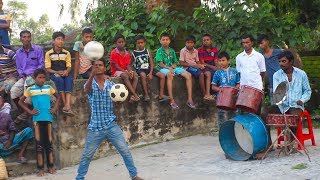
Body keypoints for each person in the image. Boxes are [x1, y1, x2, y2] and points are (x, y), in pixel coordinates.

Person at [76, 59, 143, 180]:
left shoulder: (112, 86)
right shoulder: (89, 84)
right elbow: (87, 90)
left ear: (104, 68)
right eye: (95, 66)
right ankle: (79, 178)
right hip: (95, 127)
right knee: (87, 155)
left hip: (111, 125)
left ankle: (134, 176)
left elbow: (117, 104)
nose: (98, 67)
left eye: (100, 65)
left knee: (125, 151)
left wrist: (121, 102)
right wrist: (91, 74)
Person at [18, 68, 60, 176]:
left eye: (43, 77)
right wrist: (30, 111)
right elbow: (20, 101)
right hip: (37, 120)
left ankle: (51, 167)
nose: (42, 80)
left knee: (49, 144)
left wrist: (54, 109)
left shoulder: (48, 88)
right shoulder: (31, 89)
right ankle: (40, 168)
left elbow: (58, 97)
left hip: (48, 119)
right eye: (39, 77)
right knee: (39, 145)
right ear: (34, 78)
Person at [155, 32, 196, 109]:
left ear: (169, 41)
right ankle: (172, 100)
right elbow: (160, 64)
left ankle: (190, 99)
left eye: (167, 39)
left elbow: (175, 62)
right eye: (163, 40)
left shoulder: (172, 50)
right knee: (170, 75)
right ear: (160, 41)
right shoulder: (159, 51)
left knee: (188, 75)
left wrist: (173, 67)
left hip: (172, 68)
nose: (165, 41)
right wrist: (169, 68)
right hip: (162, 68)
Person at [11, 30, 44, 121]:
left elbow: (41, 64)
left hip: (36, 76)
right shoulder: (18, 52)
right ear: (20, 39)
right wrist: (23, 76)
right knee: (13, 92)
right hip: (24, 76)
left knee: (28, 96)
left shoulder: (38, 49)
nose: (26, 39)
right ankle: (26, 111)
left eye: (28, 37)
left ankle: (26, 113)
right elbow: (19, 67)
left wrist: (34, 75)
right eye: (24, 37)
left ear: (31, 38)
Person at [131, 35, 168, 102]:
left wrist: (151, 73)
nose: (140, 44)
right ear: (136, 44)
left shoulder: (147, 51)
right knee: (143, 75)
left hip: (149, 68)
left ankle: (161, 95)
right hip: (140, 69)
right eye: (138, 43)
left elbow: (151, 62)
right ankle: (146, 95)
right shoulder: (134, 53)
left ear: (144, 43)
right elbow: (130, 64)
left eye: (141, 42)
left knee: (162, 76)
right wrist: (133, 71)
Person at [45, 31, 74, 115]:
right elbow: (48, 69)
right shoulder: (49, 53)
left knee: (69, 79)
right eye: (58, 39)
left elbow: (69, 66)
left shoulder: (66, 53)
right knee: (59, 80)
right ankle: (65, 105)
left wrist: (66, 71)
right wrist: (57, 72)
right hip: (54, 73)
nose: (60, 41)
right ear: (53, 41)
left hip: (65, 72)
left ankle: (67, 105)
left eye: (62, 39)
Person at [179, 35, 214, 101]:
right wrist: (194, 65)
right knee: (201, 74)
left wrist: (200, 65)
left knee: (207, 72)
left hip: (195, 66)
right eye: (188, 42)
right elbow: (181, 63)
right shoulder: (183, 51)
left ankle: (208, 93)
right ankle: (205, 94)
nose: (189, 44)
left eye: (191, 42)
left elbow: (197, 61)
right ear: (185, 43)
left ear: (194, 43)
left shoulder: (195, 51)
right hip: (187, 68)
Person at [212, 52, 240, 128]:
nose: (221, 62)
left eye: (223, 60)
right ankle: (222, 134)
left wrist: (235, 89)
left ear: (228, 61)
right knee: (222, 116)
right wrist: (221, 90)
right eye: (219, 60)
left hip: (233, 98)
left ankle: (233, 133)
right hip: (221, 99)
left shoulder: (235, 71)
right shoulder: (217, 73)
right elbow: (213, 87)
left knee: (234, 115)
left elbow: (238, 83)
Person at [110, 34, 140, 102]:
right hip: (116, 71)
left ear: (125, 42)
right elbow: (116, 66)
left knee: (135, 75)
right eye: (119, 42)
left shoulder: (127, 53)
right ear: (116, 43)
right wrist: (125, 72)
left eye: (122, 42)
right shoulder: (114, 53)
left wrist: (130, 71)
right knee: (125, 76)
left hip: (125, 70)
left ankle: (132, 96)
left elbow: (128, 65)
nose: (121, 43)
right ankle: (134, 94)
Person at [257, 34, 282, 104]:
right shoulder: (259, 56)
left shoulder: (278, 52)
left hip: (282, 83)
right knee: (274, 108)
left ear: (267, 42)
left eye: (262, 43)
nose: (260, 45)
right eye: (259, 44)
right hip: (272, 85)